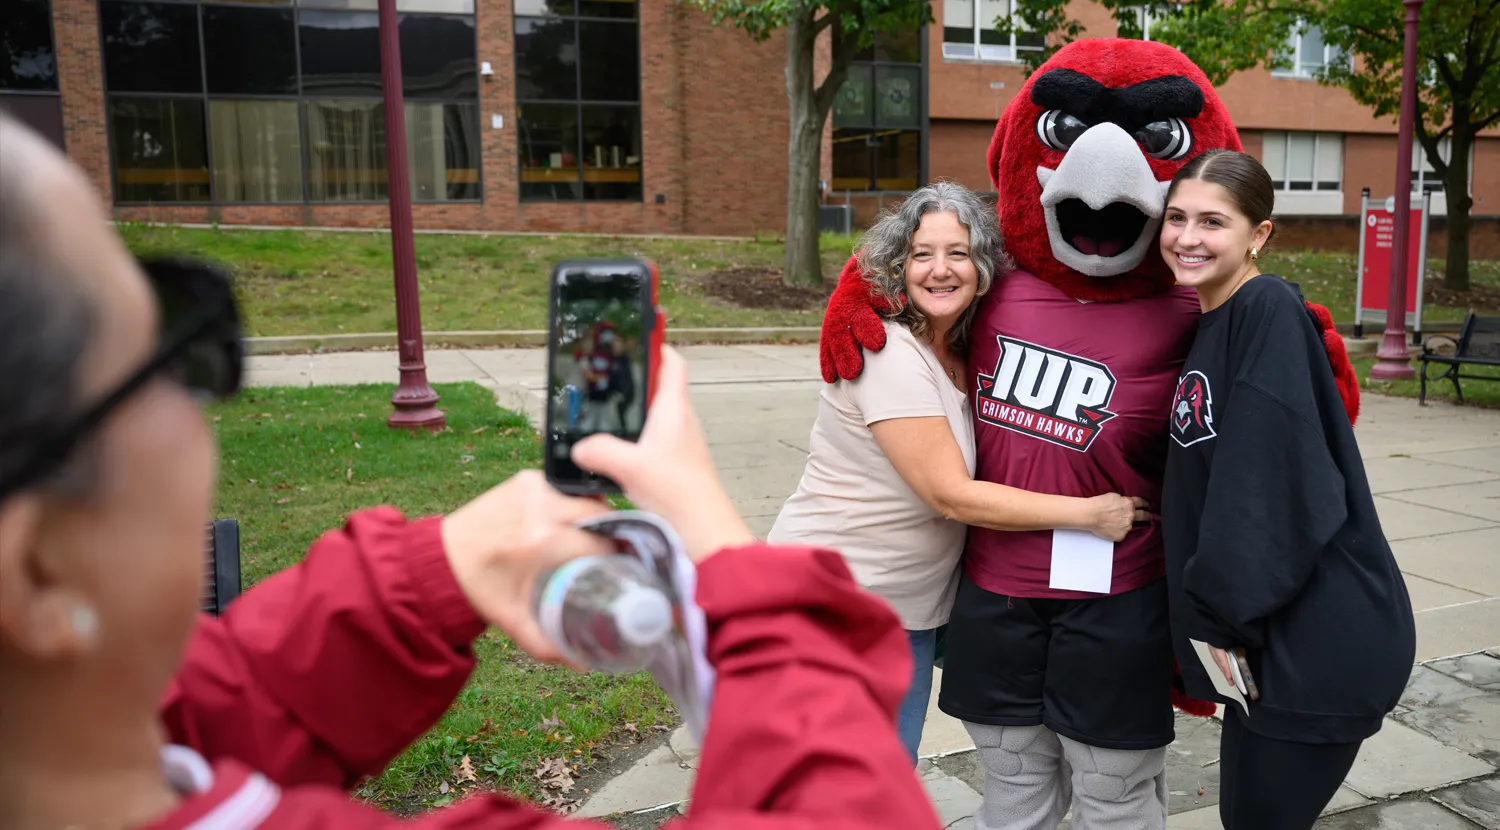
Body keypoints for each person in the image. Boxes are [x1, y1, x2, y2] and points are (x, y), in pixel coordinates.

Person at [0, 113, 943, 830]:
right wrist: (715, 535)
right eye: (170, 355)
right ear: (37, 572)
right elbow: (846, 807)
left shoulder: (74, 743)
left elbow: (210, 708)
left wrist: (433, 573)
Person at [767, 182, 1149, 764]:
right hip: (838, 604)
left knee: (883, 779)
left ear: (985, 268)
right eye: (921, 254)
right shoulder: (888, 353)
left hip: (902, 608)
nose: (940, 269)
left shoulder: (963, 349)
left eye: (959, 253)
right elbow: (950, 495)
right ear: (898, 266)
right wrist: (1091, 514)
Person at [1157, 149, 1417, 830]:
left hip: (1315, 639)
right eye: (1176, 217)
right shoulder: (1213, 321)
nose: (1187, 236)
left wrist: (1216, 617)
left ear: (1259, 234)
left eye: (1213, 221)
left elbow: (1269, 486)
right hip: (1265, 640)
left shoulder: (1265, 307)